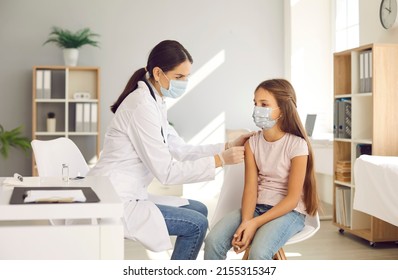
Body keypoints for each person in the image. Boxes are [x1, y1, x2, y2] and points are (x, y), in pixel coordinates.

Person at [87, 40, 254, 260]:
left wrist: (227, 147)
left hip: (131, 192)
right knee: (197, 224)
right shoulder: (141, 107)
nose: (184, 82)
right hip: (116, 197)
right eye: (179, 77)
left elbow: (180, 149)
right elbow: (166, 173)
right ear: (158, 73)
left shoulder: (155, 101)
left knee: (200, 209)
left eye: (186, 77)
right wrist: (219, 160)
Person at [204, 78, 319, 260]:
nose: (257, 109)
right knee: (212, 242)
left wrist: (254, 223)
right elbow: (250, 188)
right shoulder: (252, 144)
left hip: (290, 213)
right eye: (255, 103)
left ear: (282, 109)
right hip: (257, 208)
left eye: (264, 104)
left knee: (258, 253)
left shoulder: (297, 145)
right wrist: (246, 222)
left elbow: (291, 200)